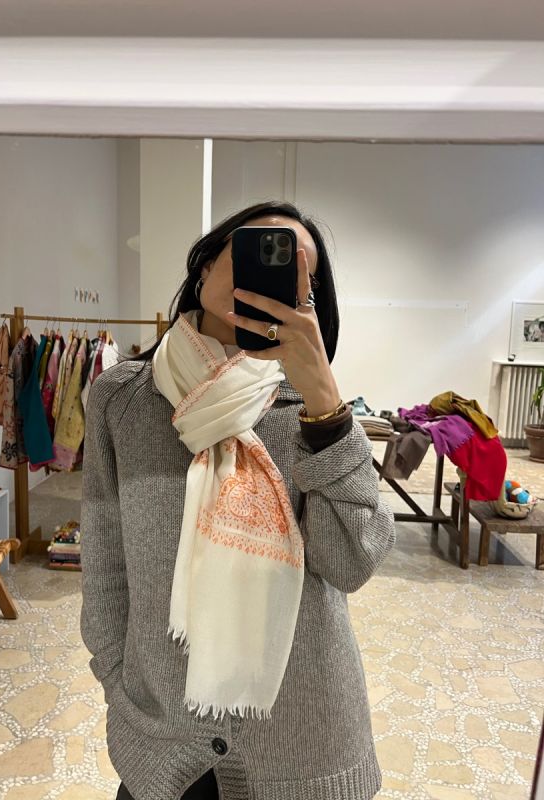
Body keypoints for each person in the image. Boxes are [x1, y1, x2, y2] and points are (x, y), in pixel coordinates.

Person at [80, 200, 396, 800]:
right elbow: (105, 567)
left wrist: (325, 405)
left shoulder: (314, 413)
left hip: (300, 744)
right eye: (256, 250)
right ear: (205, 266)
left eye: (299, 271)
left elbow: (352, 563)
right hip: (161, 743)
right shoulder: (122, 400)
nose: (270, 272)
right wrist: (122, 688)